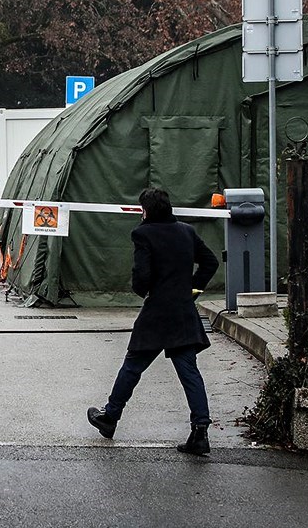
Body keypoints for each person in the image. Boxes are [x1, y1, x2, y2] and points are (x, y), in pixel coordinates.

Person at [86, 187, 220, 456]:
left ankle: (110, 417)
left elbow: (141, 274)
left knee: (133, 365)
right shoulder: (186, 231)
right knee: (189, 372)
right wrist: (192, 288)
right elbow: (210, 262)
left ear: (145, 211)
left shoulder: (143, 233)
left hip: (156, 313)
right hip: (183, 312)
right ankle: (200, 431)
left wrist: (144, 290)